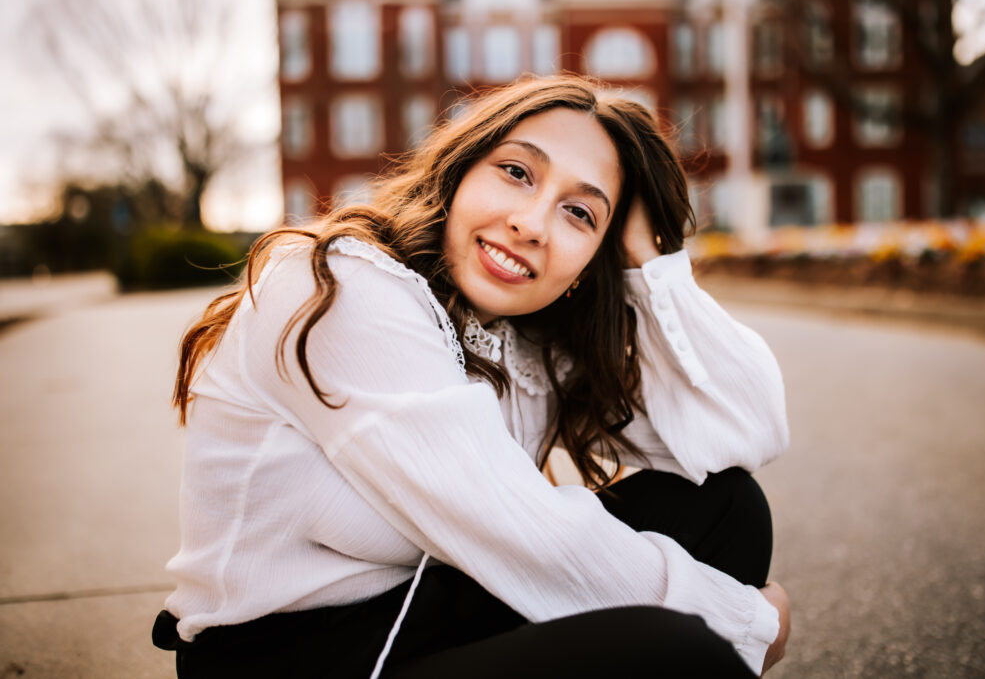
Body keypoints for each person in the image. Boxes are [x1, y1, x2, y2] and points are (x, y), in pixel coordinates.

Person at [152, 75, 791, 678]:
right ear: (460, 170)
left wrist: (650, 266)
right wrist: (743, 624)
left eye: (580, 214)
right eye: (516, 172)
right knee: (683, 653)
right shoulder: (343, 290)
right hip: (293, 659)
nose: (532, 224)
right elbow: (522, 532)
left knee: (726, 508)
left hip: (426, 614)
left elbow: (740, 431)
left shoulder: (530, 342)